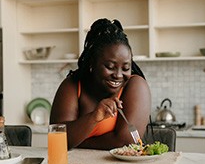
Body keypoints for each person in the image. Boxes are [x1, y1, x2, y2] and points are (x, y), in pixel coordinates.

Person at [50, 18, 151, 150]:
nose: (119, 75)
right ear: (92, 64)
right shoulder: (73, 85)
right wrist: (93, 118)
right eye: (110, 66)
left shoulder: (136, 86)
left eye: (126, 68)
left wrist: (79, 141)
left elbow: (126, 142)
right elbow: (58, 137)